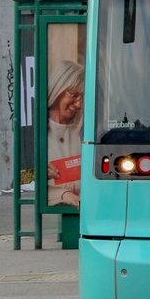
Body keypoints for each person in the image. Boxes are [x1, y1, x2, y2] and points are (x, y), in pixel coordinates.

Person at [47, 59, 85, 208]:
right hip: (52, 212)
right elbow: (26, 186)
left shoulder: (84, 130)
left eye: (82, 98)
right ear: (59, 88)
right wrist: (64, 195)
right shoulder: (36, 132)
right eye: (74, 95)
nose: (78, 104)